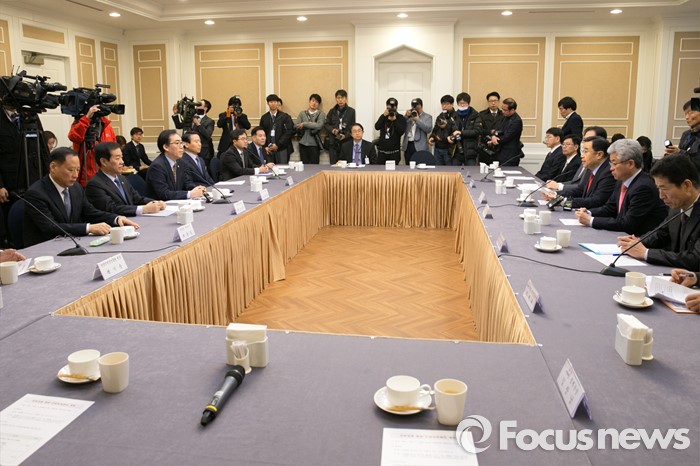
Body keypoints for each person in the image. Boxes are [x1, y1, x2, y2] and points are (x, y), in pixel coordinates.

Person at [23, 147, 139, 248]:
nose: (75, 175)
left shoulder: (76, 188)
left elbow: (90, 212)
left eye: (78, 170)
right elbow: (50, 227)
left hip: (73, 243)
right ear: (53, 167)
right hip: (46, 248)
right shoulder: (36, 193)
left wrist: (116, 218)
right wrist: (88, 228)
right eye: (70, 170)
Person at [616, 154, 700, 270]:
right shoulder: (676, 207)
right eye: (658, 189)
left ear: (686, 185)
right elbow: (660, 234)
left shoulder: (678, 203)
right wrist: (636, 242)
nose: (661, 196)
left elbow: (696, 259)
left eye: (664, 189)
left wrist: (646, 253)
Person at [576, 139, 668, 235]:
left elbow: (627, 224)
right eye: (610, 164)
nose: (611, 168)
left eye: (614, 164)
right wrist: (589, 212)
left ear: (630, 164)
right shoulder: (621, 181)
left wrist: (591, 220)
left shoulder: (643, 187)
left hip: (638, 239)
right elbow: (610, 208)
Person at [86, 142, 165, 216]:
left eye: (122, 157)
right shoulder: (95, 184)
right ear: (104, 161)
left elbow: (137, 199)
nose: (122, 162)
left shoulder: (122, 178)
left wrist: (155, 202)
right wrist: (143, 209)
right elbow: (111, 208)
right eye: (117, 158)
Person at [544, 136, 614, 209]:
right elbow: (579, 190)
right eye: (582, 151)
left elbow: (596, 201)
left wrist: (564, 202)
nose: (581, 156)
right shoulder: (590, 168)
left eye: (585, 152)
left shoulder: (609, 173)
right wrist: (555, 194)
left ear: (599, 154)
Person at [145, 130, 206, 201]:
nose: (181, 146)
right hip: (161, 205)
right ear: (166, 147)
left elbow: (186, 183)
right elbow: (164, 193)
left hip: (177, 203)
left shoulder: (180, 162)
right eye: (177, 143)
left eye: (181, 143)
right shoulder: (157, 166)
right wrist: (190, 194)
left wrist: (196, 188)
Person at [68, 104, 117, 187]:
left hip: (106, 178)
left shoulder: (107, 127)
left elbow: (114, 150)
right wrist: (87, 118)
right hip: (85, 178)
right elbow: (74, 137)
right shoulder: (80, 123)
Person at [547, 126, 608, 191]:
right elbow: (575, 182)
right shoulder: (586, 161)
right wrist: (557, 186)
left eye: (589, 139)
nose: (585, 142)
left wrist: (559, 187)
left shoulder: (605, 171)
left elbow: (581, 189)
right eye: (584, 139)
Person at [172, 99, 215, 169]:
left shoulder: (209, 121)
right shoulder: (190, 117)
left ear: (205, 108)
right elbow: (179, 126)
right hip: (189, 150)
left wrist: (198, 124)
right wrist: (175, 114)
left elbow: (207, 135)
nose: (196, 106)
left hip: (203, 152)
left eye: (199, 104)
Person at [665, 99, 700, 171]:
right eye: (685, 114)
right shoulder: (686, 134)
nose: (686, 117)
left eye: (690, 113)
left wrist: (680, 153)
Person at [259, 94, 295, 164]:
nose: (273, 104)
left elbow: (289, 132)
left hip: (282, 148)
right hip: (268, 149)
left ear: (277, 103)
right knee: (270, 167)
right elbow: (261, 132)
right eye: (271, 102)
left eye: (275, 102)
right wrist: (264, 146)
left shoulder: (285, 117)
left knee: (283, 167)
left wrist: (278, 144)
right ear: (268, 103)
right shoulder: (264, 117)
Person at [324, 89, 356, 165]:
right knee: (333, 164)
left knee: (346, 164)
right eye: (338, 98)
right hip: (333, 141)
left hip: (346, 141)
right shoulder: (332, 111)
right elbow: (326, 124)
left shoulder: (351, 111)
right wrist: (333, 130)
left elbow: (352, 126)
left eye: (342, 98)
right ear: (336, 99)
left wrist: (346, 136)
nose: (340, 100)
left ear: (346, 99)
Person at [490, 97, 522, 166]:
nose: (502, 111)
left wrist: (495, 140)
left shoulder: (516, 121)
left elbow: (507, 137)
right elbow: (496, 129)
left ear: (512, 110)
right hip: (500, 153)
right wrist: (493, 136)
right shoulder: (503, 117)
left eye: (505, 110)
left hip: (510, 156)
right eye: (502, 109)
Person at [295, 94, 326, 164]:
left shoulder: (321, 114)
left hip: (314, 144)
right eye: (313, 101)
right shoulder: (302, 113)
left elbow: (319, 125)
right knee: (303, 165)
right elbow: (297, 125)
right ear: (309, 102)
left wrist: (304, 124)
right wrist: (312, 125)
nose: (314, 103)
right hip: (302, 143)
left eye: (317, 102)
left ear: (319, 104)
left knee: (314, 166)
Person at [375, 97, 406, 164]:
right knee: (380, 170)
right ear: (386, 106)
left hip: (394, 152)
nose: (391, 109)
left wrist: (394, 120)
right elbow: (377, 127)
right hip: (382, 152)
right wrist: (383, 116)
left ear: (396, 107)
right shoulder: (384, 116)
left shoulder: (400, 118)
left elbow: (401, 131)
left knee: (394, 170)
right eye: (389, 107)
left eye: (393, 107)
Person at [402, 98, 432, 164]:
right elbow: (402, 127)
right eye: (413, 105)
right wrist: (406, 116)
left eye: (417, 105)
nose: (415, 107)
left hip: (420, 146)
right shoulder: (409, 116)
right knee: (408, 166)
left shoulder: (427, 117)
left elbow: (428, 129)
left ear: (421, 106)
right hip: (408, 145)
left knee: (420, 165)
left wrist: (417, 120)